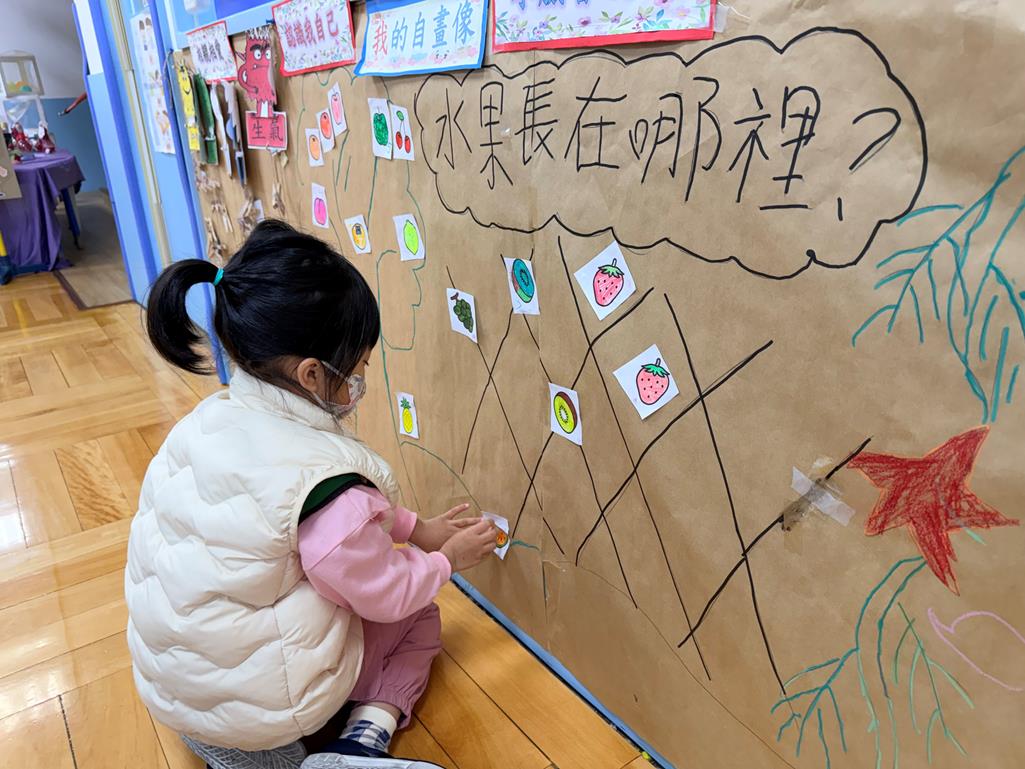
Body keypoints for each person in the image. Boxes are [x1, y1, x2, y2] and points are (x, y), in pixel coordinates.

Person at [124, 220, 499, 769]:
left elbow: (311, 516)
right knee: (420, 617)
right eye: (358, 369)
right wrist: (446, 560)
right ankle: (360, 740)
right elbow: (386, 592)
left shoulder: (206, 422)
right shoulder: (324, 481)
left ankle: (236, 745)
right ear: (311, 375)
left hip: (179, 693)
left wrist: (417, 529)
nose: (361, 383)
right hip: (266, 714)